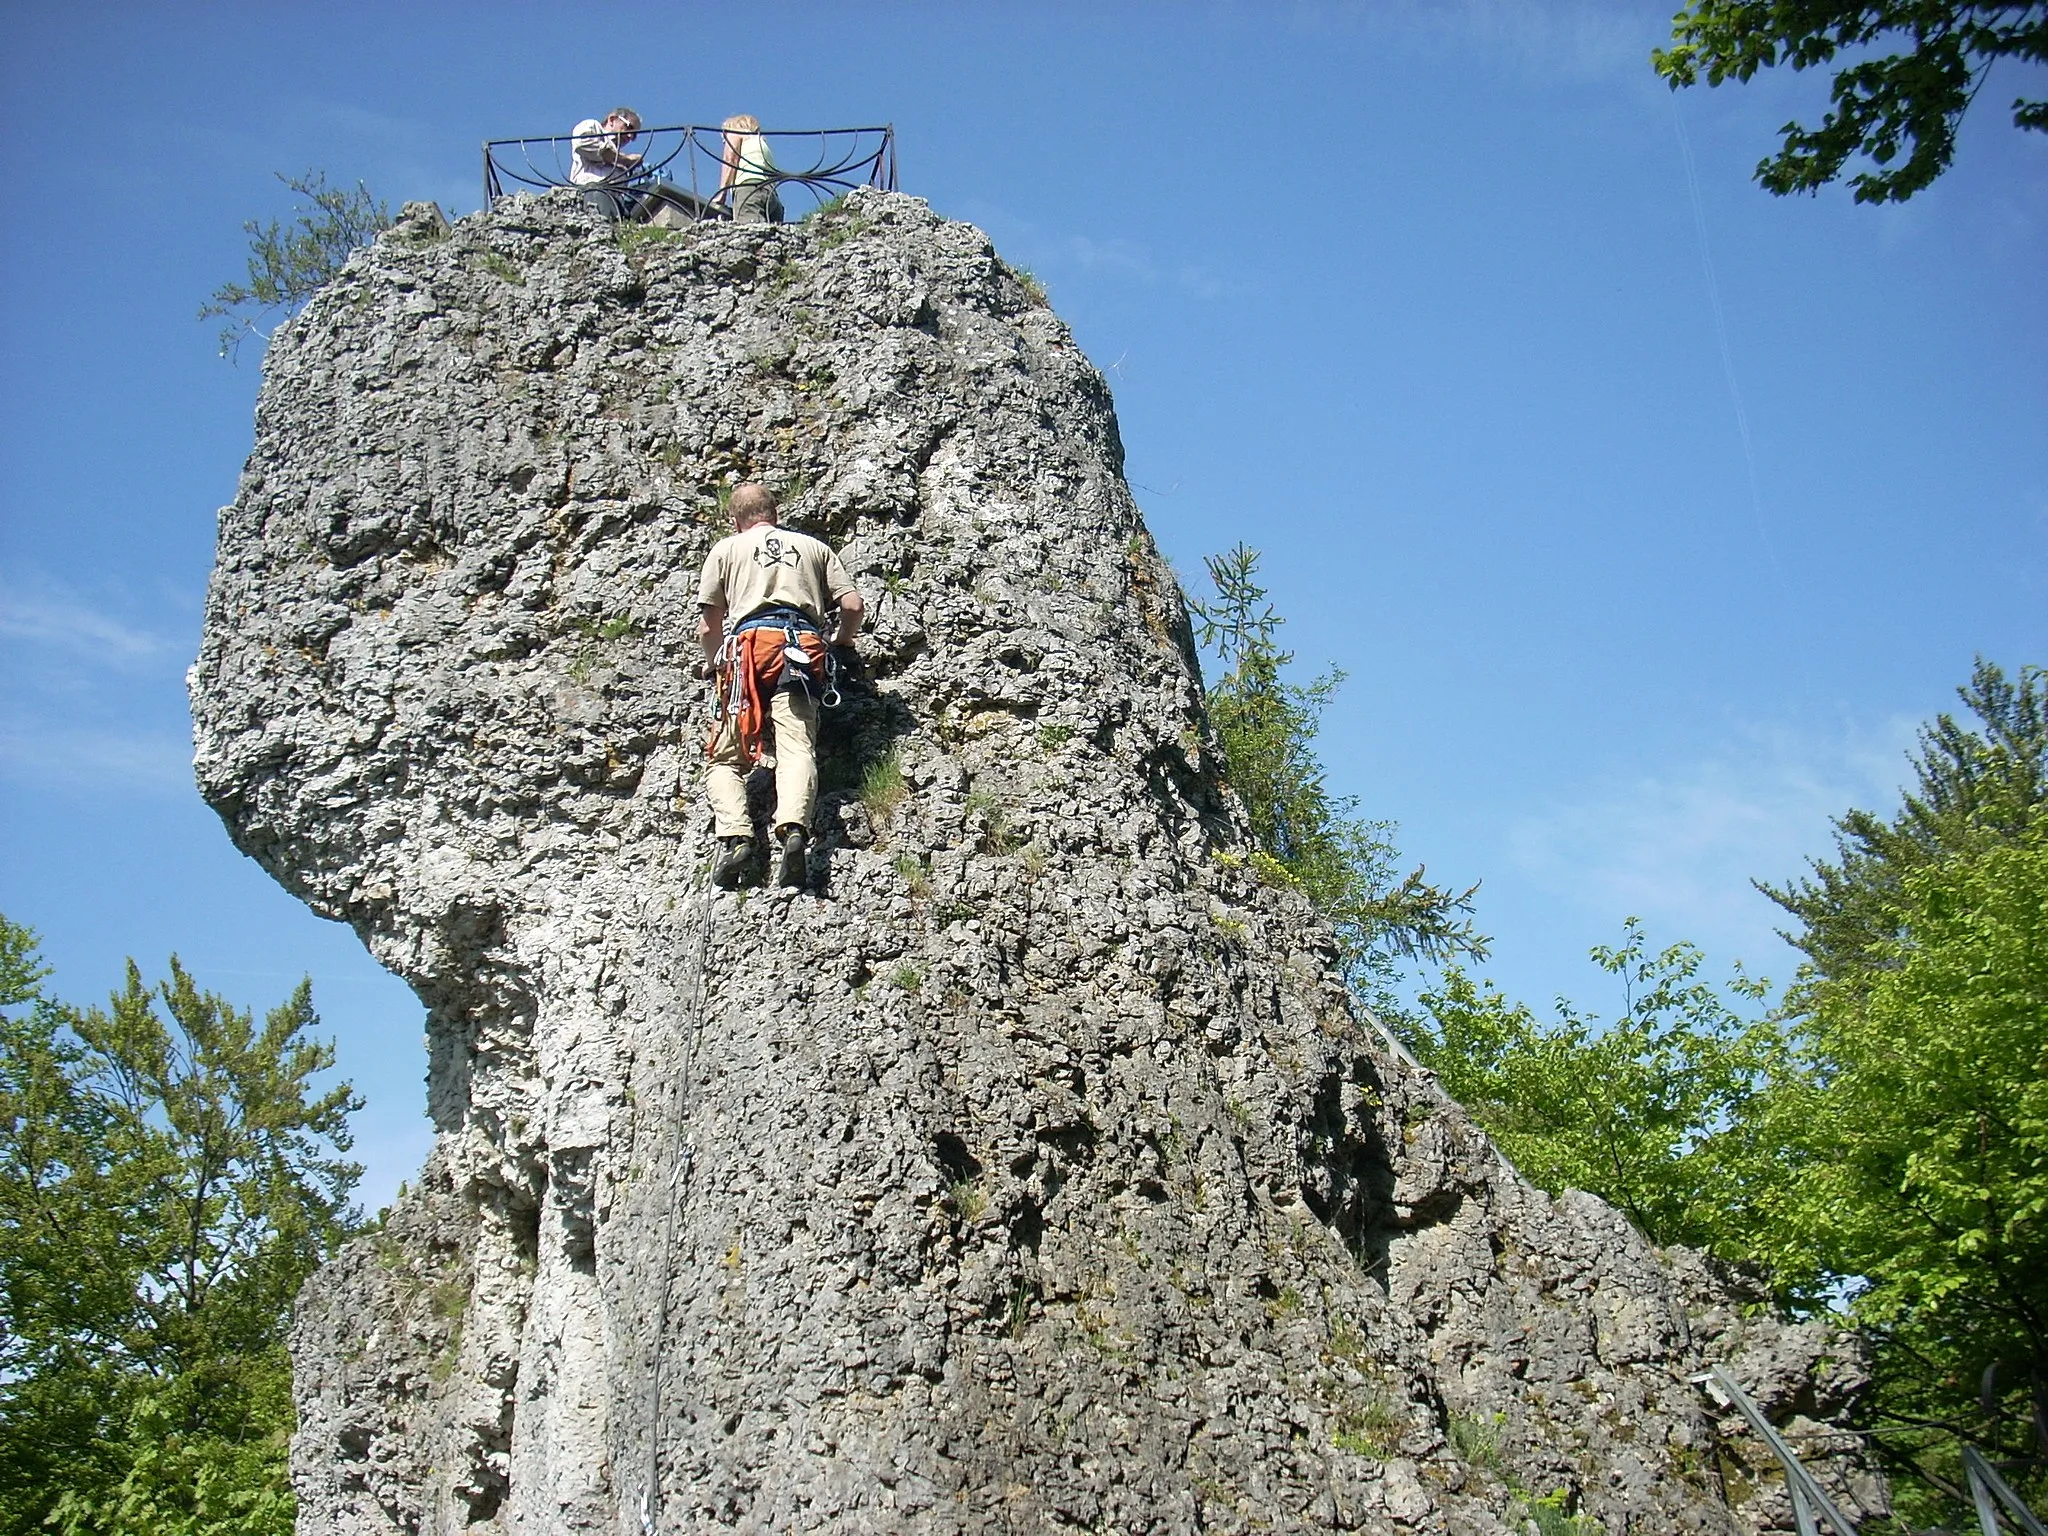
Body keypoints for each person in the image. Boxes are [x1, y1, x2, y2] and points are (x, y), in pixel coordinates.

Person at [697, 484, 862, 889]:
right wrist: (841, 642)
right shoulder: (813, 547)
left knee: (726, 757)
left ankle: (736, 836)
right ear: (775, 511)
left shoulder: (726, 549)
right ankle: (792, 830)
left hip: (745, 654)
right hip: (799, 649)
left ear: (735, 521)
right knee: (796, 747)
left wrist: (712, 662)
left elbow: (708, 626)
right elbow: (853, 605)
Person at [569, 107, 712, 225]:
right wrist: (625, 160)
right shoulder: (592, 126)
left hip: (616, 203)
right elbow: (584, 144)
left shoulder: (620, 158)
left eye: (635, 135)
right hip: (592, 192)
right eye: (629, 128)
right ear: (612, 120)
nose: (631, 137)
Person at [717, 114, 784, 225]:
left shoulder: (735, 132)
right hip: (772, 196)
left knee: (750, 234)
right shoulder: (761, 143)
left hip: (749, 191)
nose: (725, 142)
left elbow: (730, 159)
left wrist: (721, 194)